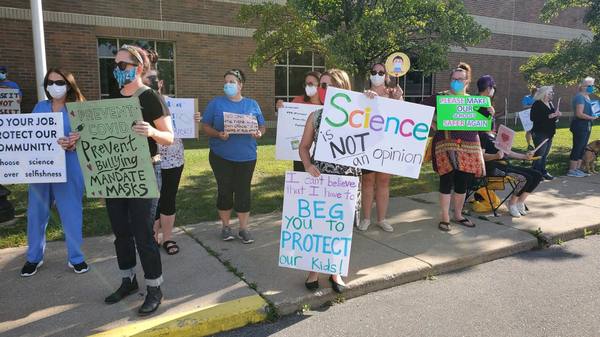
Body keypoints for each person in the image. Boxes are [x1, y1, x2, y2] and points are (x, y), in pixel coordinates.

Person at [97, 44, 174, 316]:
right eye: (114, 65)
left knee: (143, 234)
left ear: (138, 68)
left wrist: (152, 131)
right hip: (115, 173)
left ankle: (154, 287)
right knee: (121, 232)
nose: (116, 70)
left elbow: (169, 137)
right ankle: (128, 280)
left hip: (144, 171)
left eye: (121, 65)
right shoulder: (111, 97)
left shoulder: (150, 97)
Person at [298, 68, 361, 293]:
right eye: (322, 85)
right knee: (320, 226)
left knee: (340, 228)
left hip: (347, 180)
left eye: (329, 86)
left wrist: (374, 102)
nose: (324, 90)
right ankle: (314, 270)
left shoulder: (360, 114)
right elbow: (304, 148)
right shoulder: (315, 116)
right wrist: (307, 165)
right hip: (321, 178)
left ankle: (335, 271)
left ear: (343, 88)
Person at [21, 68, 87, 277]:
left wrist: (74, 142)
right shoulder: (40, 107)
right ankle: (33, 258)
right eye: (50, 82)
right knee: (36, 214)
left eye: (59, 82)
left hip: (70, 166)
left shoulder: (79, 108)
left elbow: (89, 138)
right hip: (42, 168)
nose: (54, 87)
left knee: (71, 212)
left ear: (69, 85)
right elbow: (30, 137)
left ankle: (76, 258)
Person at [202, 69, 266, 244]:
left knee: (243, 192)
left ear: (240, 85)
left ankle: (243, 229)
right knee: (224, 191)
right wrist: (217, 134)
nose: (227, 85)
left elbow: (262, 126)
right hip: (221, 156)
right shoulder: (216, 103)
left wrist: (259, 133)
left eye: (231, 81)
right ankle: (225, 227)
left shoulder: (252, 104)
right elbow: (205, 126)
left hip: (246, 156)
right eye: (226, 81)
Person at [422, 63, 484, 232]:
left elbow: (484, 122)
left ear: (467, 81)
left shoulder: (474, 102)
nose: (456, 82)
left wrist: (489, 111)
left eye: (460, 79)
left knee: (462, 182)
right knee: (446, 180)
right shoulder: (440, 97)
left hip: (469, 146)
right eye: (454, 79)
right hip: (446, 144)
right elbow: (420, 111)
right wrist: (435, 123)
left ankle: (458, 214)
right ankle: (445, 217)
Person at [143, 50, 184, 255]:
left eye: (153, 80)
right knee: (152, 203)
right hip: (148, 159)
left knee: (168, 199)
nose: (150, 83)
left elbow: (182, 129)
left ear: (160, 83)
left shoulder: (174, 104)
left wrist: (193, 121)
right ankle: (152, 237)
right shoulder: (137, 103)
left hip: (173, 159)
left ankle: (168, 238)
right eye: (146, 79)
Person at [358, 63, 403, 232]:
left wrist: (398, 99)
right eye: (373, 72)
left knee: (384, 181)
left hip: (386, 145)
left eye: (381, 72)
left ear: (386, 75)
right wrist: (364, 98)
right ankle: (367, 218)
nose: (377, 75)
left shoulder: (393, 94)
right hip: (367, 144)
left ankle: (382, 219)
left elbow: (404, 116)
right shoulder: (363, 94)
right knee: (367, 181)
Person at [276, 71, 322, 172]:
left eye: (311, 84)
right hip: (300, 151)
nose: (307, 86)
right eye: (306, 84)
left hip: (321, 153)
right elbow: (288, 120)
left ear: (320, 85)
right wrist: (281, 108)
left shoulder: (328, 103)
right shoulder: (298, 100)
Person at [568, 77, 597, 177]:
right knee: (578, 147)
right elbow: (579, 114)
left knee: (582, 148)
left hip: (587, 126)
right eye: (590, 86)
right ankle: (572, 170)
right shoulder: (579, 97)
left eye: (592, 85)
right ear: (583, 86)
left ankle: (578, 169)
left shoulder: (587, 97)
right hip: (579, 126)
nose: (592, 87)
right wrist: (591, 117)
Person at [530, 86, 560, 180]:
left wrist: (556, 115)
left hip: (549, 132)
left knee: (545, 154)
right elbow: (533, 118)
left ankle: (543, 171)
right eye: (550, 92)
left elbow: (552, 118)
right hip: (540, 133)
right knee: (539, 154)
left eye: (552, 92)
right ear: (544, 94)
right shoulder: (537, 104)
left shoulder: (550, 103)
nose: (552, 94)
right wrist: (549, 116)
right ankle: (536, 173)